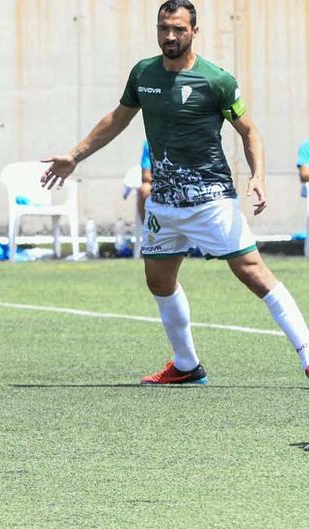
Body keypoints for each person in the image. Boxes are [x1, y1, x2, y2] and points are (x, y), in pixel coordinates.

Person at [41, 0, 309, 384]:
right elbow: (117, 118)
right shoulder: (144, 73)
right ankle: (186, 365)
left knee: (253, 273)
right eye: (164, 27)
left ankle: (307, 354)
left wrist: (258, 176)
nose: (170, 36)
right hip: (163, 204)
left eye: (178, 29)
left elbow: (249, 131)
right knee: (159, 280)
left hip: (211, 201)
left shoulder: (216, 80)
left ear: (194, 32)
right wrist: (75, 155)